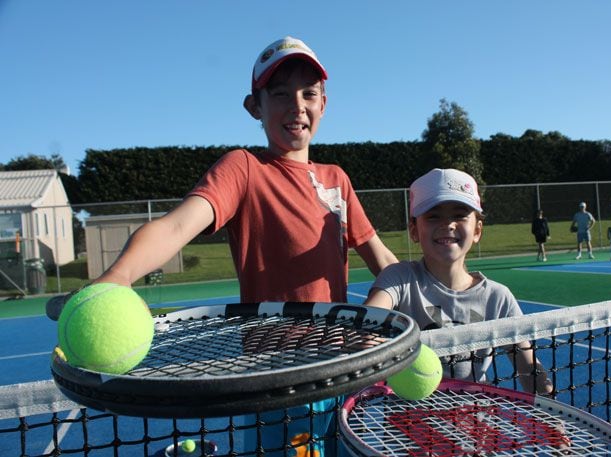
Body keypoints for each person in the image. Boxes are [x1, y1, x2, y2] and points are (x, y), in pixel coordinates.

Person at [55, 36, 398, 456]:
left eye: (309, 94)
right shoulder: (243, 169)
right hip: (275, 380)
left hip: (341, 370)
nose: (297, 106)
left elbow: (384, 261)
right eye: (279, 94)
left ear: (324, 103)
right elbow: (177, 226)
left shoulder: (337, 179)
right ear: (255, 106)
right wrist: (117, 277)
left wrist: (419, 306)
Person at [364, 168, 553, 395]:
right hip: (404, 427)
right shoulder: (399, 279)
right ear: (414, 230)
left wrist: (554, 413)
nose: (448, 224)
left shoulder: (497, 298)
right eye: (433, 215)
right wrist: (367, 341)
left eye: (460, 214)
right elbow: (368, 320)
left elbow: (529, 369)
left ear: (477, 230)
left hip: (474, 426)